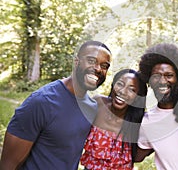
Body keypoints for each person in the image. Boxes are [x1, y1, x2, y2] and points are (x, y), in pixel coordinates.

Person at [0, 40, 112, 170]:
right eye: (91, 61)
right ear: (76, 62)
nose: (98, 68)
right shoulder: (42, 102)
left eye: (104, 66)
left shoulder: (91, 108)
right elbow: (8, 165)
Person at [80, 69, 147, 170]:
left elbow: (139, 156)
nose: (122, 91)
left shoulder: (140, 123)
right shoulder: (99, 103)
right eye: (120, 84)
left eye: (131, 89)